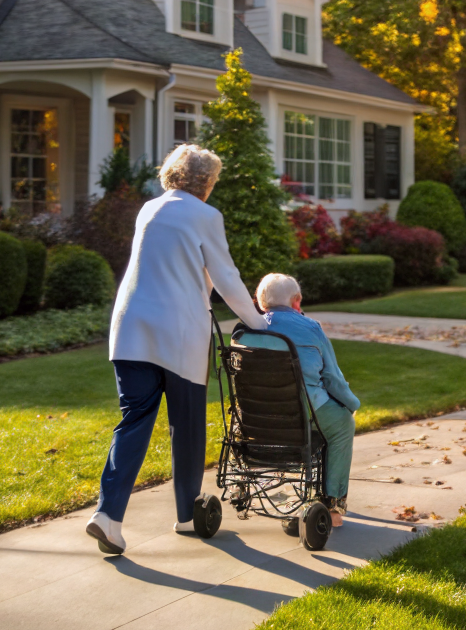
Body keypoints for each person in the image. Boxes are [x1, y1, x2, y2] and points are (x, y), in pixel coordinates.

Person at [85, 144, 268, 555]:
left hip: (130, 329)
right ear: (206, 181)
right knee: (186, 424)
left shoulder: (148, 209)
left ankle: (107, 516)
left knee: (133, 420)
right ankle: (187, 514)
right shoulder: (206, 215)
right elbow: (225, 276)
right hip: (178, 331)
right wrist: (260, 324)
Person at [253, 273, 359, 527]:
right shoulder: (311, 328)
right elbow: (332, 378)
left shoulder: (246, 328)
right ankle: (332, 508)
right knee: (342, 424)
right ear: (297, 300)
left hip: (256, 412)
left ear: (260, 302)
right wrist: (352, 404)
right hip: (305, 408)